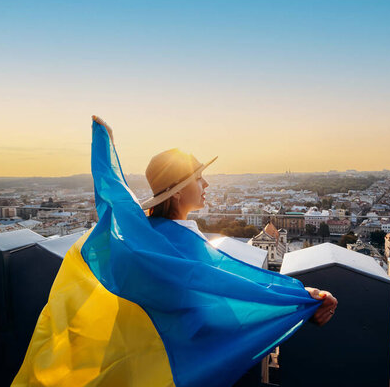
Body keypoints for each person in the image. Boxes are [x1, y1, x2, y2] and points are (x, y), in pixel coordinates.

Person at [92, 115, 337, 326]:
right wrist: (303, 295)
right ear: (176, 192)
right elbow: (234, 284)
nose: (206, 184)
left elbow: (114, 198)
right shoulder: (184, 241)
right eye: (198, 178)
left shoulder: (145, 235)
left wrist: (107, 145)